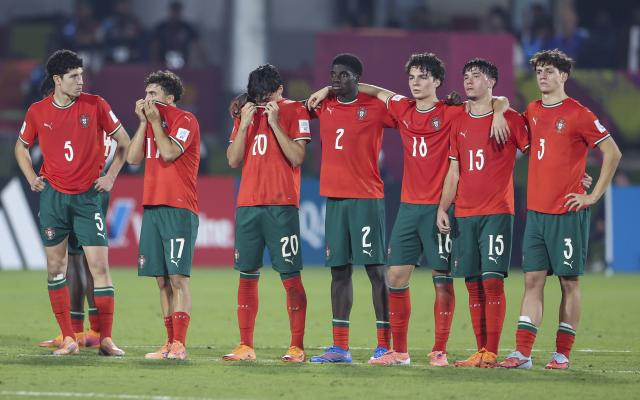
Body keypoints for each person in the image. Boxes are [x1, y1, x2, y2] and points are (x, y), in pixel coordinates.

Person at [308, 52, 510, 366]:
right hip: (408, 208)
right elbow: (373, 90)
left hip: (438, 207)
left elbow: (493, 101)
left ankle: (439, 349)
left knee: (442, 277)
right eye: (412, 77)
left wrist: (499, 111)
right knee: (396, 275)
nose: (416, 83)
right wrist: (327, 90)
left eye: (423, 77)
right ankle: (399, 352)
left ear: (438, 82)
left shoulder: (453, 111)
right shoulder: (403, 108)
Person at [498, 49, 621, 370]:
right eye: (539, 70)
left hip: (567, 213)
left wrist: (593, 195)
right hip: (537, 213)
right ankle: (522, 353)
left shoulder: (579, 113)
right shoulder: (534, 109)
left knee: (569, 283)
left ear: (564, 76)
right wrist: (499, 109)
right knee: (532, 281)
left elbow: (612, 152)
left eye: (550, 70)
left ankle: (562, 354)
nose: (543, 75)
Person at [15, 49, 129, 356]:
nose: (81, 81)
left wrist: (111, 177)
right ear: (57, 80)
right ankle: (69, 337)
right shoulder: (38, 111)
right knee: (56, 267)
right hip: (53, 198)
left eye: (82, 75)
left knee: (99, 267)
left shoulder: (96, 105)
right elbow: (21, 147)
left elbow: (124, 142)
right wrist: (30, 177)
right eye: (74, 77)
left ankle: (105, 338)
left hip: (88, 198)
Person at [437, 58, 530, 368]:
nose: (468, 80)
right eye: (465, 76)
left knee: (492, 281)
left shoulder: (510, 118)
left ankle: (491, 350)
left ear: (491, 82)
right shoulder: (459, 121)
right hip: (465, 212)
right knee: (472, 282)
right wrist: (443, 207)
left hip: (496, 212)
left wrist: (576, 176)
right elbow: (454, 169)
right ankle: (480, 350)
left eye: (476, 76)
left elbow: (538, 155)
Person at [305, 53, 394, 363]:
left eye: (343, 75)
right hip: (335, 200)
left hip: (366, 199)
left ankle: (384, 345)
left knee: (375, 271)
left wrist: (338, 89)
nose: (335, 79)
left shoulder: (375, 108)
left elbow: (402, 103)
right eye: (332, 74)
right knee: (339, 272)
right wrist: (327, 92)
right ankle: (340, 347)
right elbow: (298, 110)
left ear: (357, 78)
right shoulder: (324, 106)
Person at [222, 64, 310, 363]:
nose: (262, 101)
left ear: (280, 90)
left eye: (267, 95)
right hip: (248, 204)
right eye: (258, 95)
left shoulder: (295, 111)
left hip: (281, 205)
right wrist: (245, 124)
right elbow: (233, 161)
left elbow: (298, 157)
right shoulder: (245, 113)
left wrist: (274, 124)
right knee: (247, 275)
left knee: (290, 276)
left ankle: (296, 347)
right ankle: (245, 345)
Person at [127, 70, 200, 360]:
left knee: (178, 278)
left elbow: (169, 153)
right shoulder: (149, 123)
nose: (147, 99)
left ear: (169, 98)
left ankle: (180, 344)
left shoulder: (186, 120)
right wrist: (144, 122)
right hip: (153, 207)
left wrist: (156, 122)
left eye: (153, 94)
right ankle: (169, 343)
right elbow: (133, 159)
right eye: (146, 93)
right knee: (161, 280)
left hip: (178, 207)